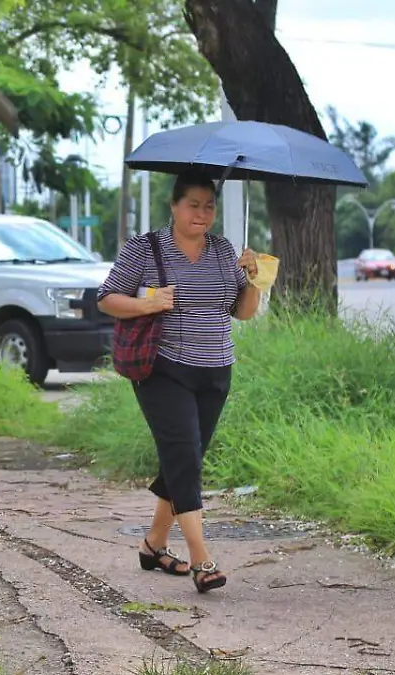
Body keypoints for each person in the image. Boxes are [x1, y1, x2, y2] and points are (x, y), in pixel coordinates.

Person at [96, 171, 262, 594]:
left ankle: (153, 545)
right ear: (174, 205)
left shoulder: (225, 251)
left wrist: (255, 280)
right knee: (184, 455)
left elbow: (241, 313)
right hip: (162, 368)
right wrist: (148, 302)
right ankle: (202, 560)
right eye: (193, 204)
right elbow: (107, 298)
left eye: (209, 206)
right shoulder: (146, 248)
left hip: (215, 370)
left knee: (184, 459)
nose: (202, 213)